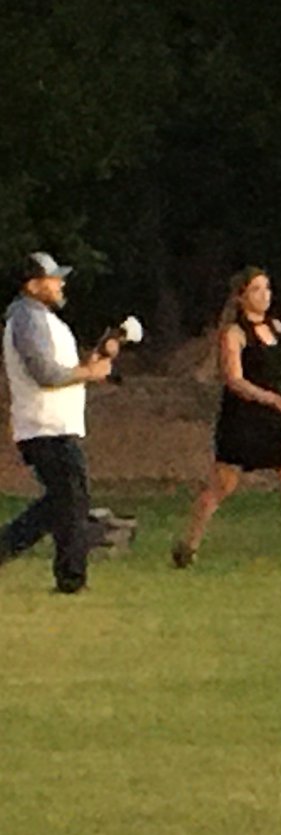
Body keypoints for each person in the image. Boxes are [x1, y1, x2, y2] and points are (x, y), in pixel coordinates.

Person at [171, 268, 281, 571]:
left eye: (267, 289)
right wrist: (273, 399)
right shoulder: (234, 333)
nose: (264, 295)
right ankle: (188, 545)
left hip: (275, 417)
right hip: (243, 418)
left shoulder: (275, 327)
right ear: (241, 297)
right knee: (222, 484)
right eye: (256, 290)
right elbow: (234, 380)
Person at [2, 252, 125, 595]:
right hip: (45, 427)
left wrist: (93, 363)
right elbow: (46, 373)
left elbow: (61, 370)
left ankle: (66, 571)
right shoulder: (28, 319)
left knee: (63, 501)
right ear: (33, 284)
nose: (61, 284)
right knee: (70, 501)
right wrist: (91, 372)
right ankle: (72, 577)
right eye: (54, 278)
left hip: (54, 426)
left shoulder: (41, 319)